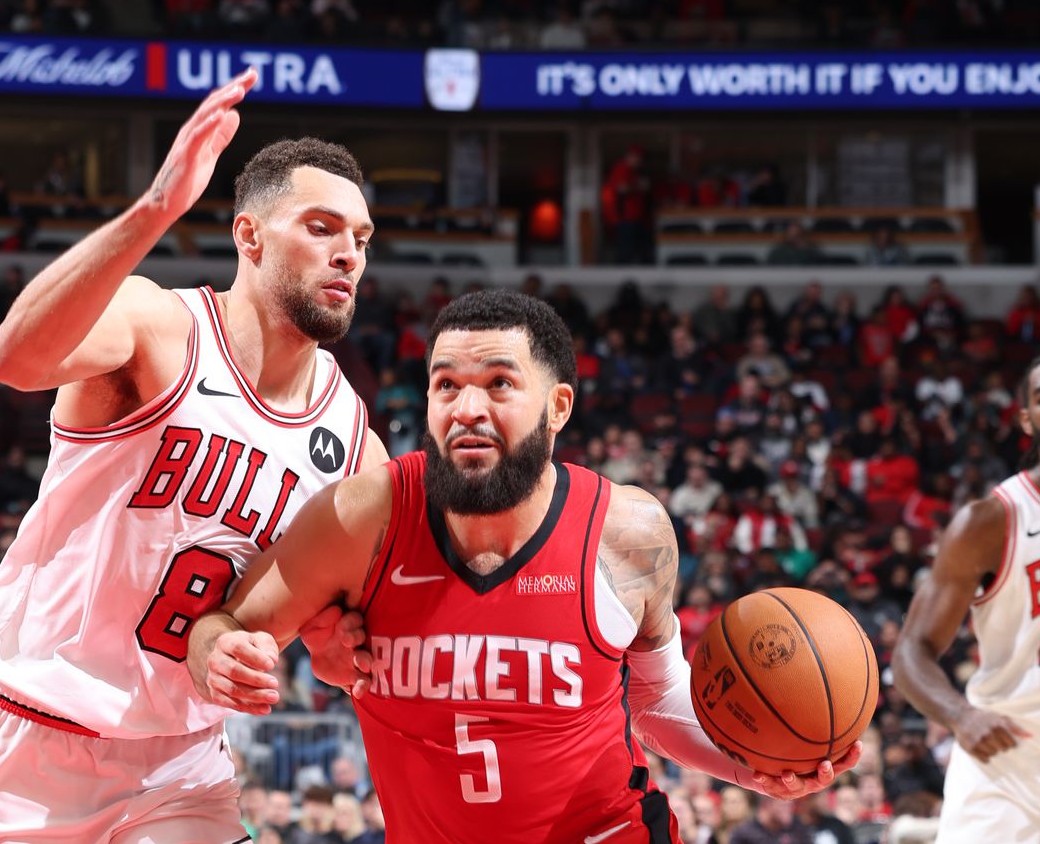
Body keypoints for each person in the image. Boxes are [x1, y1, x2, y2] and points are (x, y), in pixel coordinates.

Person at [189, 290, 859, 843]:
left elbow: (651, 702)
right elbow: (220, 625)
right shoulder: (363, 518)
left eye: (499, 383)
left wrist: (756, 769)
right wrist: (220, 656)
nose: (467, 409)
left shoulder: (627, 533)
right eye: (445, 384)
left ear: (558, 405)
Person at [0, 69, 387, 842]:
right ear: (249, 235)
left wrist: (325, 647)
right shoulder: (159, 328)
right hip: (32, 736)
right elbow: (12, 359)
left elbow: (328, 647)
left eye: (361, 238)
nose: (348, 252)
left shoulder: (353, 444)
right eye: (322, 227)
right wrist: (156, 210)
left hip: (181, 763)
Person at [893, 348, 1040, 843]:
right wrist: (961, 715)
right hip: (1006, 765)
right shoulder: (988, 522)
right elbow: (912, 649)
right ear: (1027, 419)